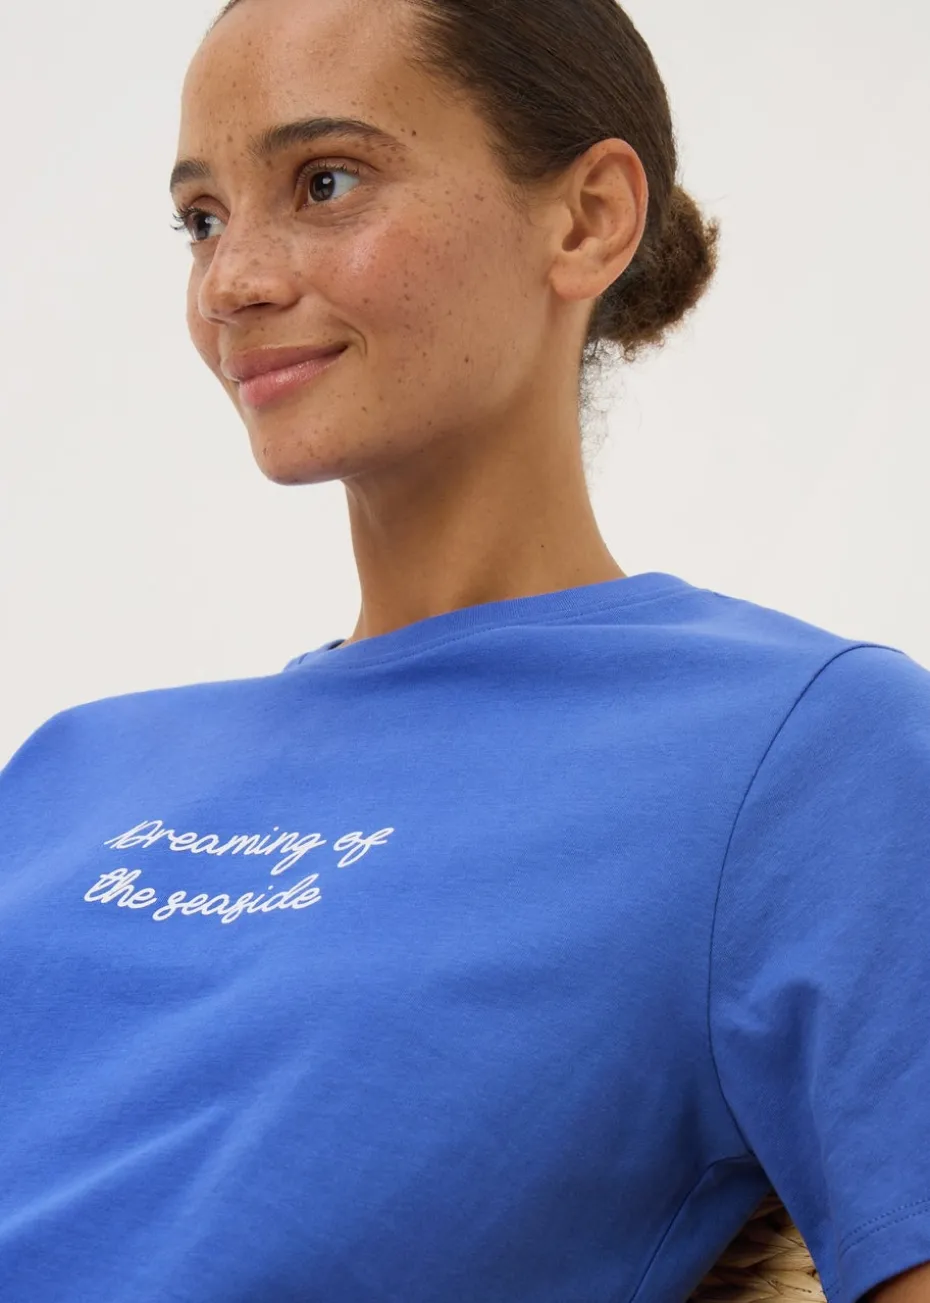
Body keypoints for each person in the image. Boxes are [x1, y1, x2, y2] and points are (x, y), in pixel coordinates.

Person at [1, 1, 928, 1301]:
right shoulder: (75, 766)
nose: (231, 282)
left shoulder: (805, 750)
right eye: (201, 219)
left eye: (325, 183)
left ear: (587, 218)